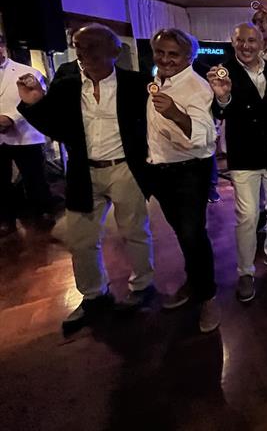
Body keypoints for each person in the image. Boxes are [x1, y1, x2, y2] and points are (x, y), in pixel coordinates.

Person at [16, 24, 154, 330]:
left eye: (91, 46)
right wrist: (33, 102)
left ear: (113, 51)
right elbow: (55, 127)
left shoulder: (136, 84)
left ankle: (143, 286)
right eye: (78, 46)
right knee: (81, 239)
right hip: (83, 170)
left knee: (134, 231)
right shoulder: (67, 85)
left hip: (125, 168)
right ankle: (93, 295)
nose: (83, 53)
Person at [208, 23, 267, 303]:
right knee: (247, 216)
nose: (246, 46)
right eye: (240, 41)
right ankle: (245, 270)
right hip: (243, 155)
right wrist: (222, 97)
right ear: (233, 43)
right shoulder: (223, 72)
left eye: (251, 40)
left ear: (261, 42)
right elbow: (219, 111)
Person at [147, 28, 220, 333]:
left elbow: (204, 137)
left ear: (189, 56)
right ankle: (195, 282)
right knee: (182, 234)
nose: (165, 59)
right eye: (160, 52)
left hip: (189, 172)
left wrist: (176, 114)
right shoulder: (154, 81)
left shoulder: (197, 87)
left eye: (173, 54)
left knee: (193, 235)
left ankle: (208, 298)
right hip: (160, 171)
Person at [0, 35, 53, 235]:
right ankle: (6, 219)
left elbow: (37, 100)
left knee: (34, 177)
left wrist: (11, 118)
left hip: (24, 133)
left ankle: (43, 212)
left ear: (3, 46)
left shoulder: (27, 72)